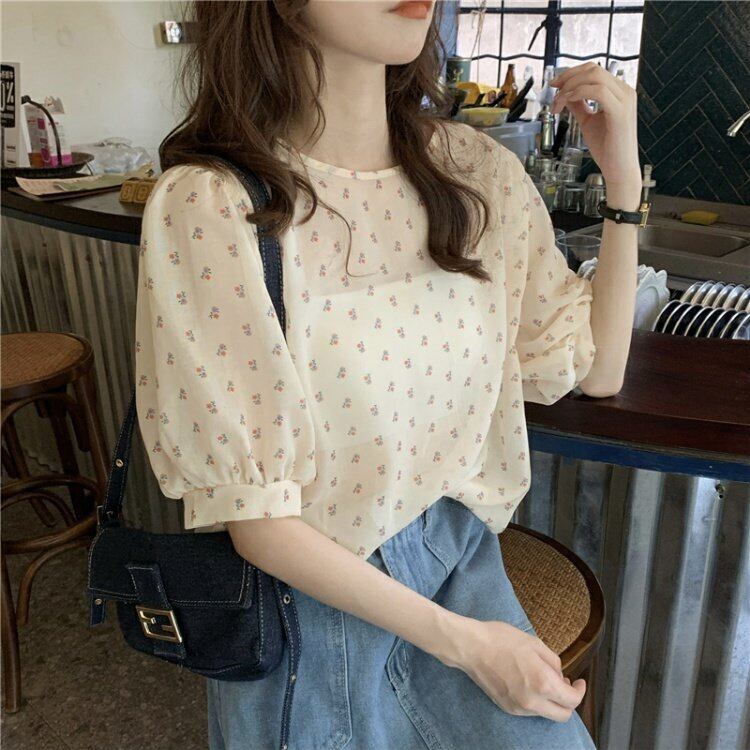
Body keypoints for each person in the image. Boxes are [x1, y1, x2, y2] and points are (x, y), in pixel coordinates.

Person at [134, 2, 640, 748]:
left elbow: (597, 370)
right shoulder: (214, 205)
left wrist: (623, 187)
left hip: (459, 562)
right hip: (311, 605)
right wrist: (469, 646)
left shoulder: (475, 174)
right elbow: (259, 521)